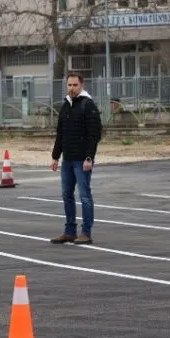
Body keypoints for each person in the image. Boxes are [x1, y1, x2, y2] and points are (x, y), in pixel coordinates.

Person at [49, 71, 102, 245]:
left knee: (84, 195)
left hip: (82, 160)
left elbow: (94, 134)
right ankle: (70, 231)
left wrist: (89, 157)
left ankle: (86, 232)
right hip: (68, 159)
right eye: (69, 85)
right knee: (66, 194)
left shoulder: (88, 105)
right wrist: (56, 156)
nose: (72, 88)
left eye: (75, 85)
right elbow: (60, 133)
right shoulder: (66, 105)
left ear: (82, 85)